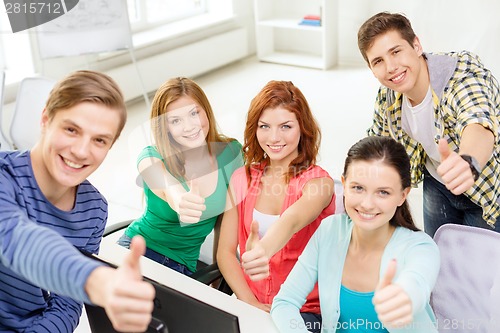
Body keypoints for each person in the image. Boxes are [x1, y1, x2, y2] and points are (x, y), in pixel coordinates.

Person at [0, 70, 155, 332]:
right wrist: (98, 282)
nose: (81, 151)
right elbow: (18, 240)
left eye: (99, 140)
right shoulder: (4, 177)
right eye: (71, 129)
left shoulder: (94, 209)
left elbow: (67, 304)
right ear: (46, 119)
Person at [271, 136, 440, 333]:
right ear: (344, 184)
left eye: (383, 192)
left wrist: (403, 298)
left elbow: (417, 282)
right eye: (358, 188)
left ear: (403, 195)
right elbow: (285, 302)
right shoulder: (330, 230)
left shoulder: (421, 247)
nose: (367, 204)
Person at [357, 11, 500, 237]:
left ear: (416, 46)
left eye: (396, 51)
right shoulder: (389, 94)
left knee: (481, 268)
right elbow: (378, 143)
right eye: (379, 61)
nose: (391, 67)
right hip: (437, 184)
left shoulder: (461, 76)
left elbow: (478, 124)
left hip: (485, 187)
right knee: (439, 257)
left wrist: (469, 162)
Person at [217, 80, 336, 331]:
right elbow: (225, 253)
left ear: (302, 129)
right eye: (265, 126)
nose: (274, 137)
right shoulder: (242, 178)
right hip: (250, 304)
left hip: (302, 310)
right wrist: (248, 303)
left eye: (285, 127)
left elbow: (290, 221)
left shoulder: (319, 183)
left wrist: (262, 251)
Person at [117, 77, 243, 276]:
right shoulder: (151, 155)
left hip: (181, 267)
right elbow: (166, 186)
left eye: (194, 113)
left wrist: (221, 276)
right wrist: (178, 198)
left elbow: (226, 223)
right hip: (135, 250)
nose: (189, 126)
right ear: (165, 127)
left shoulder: (231, 153)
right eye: (176, 120)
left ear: (206, 110)